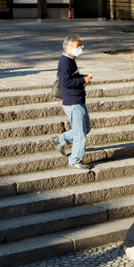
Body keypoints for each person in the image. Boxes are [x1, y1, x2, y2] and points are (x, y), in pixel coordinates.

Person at [51, 35, 93, 170]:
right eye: (77, 46)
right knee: (80, 134)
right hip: (73, 101)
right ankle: (75, 160)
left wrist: (83, 77)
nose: (80, 49)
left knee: (85, 128)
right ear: (68, 47)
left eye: (81, 46)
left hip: (77, 99)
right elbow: (66, 82)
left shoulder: (70, 60)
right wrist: (83, 81)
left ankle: (60, 140)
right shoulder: (65, 61)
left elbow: (71, 78)